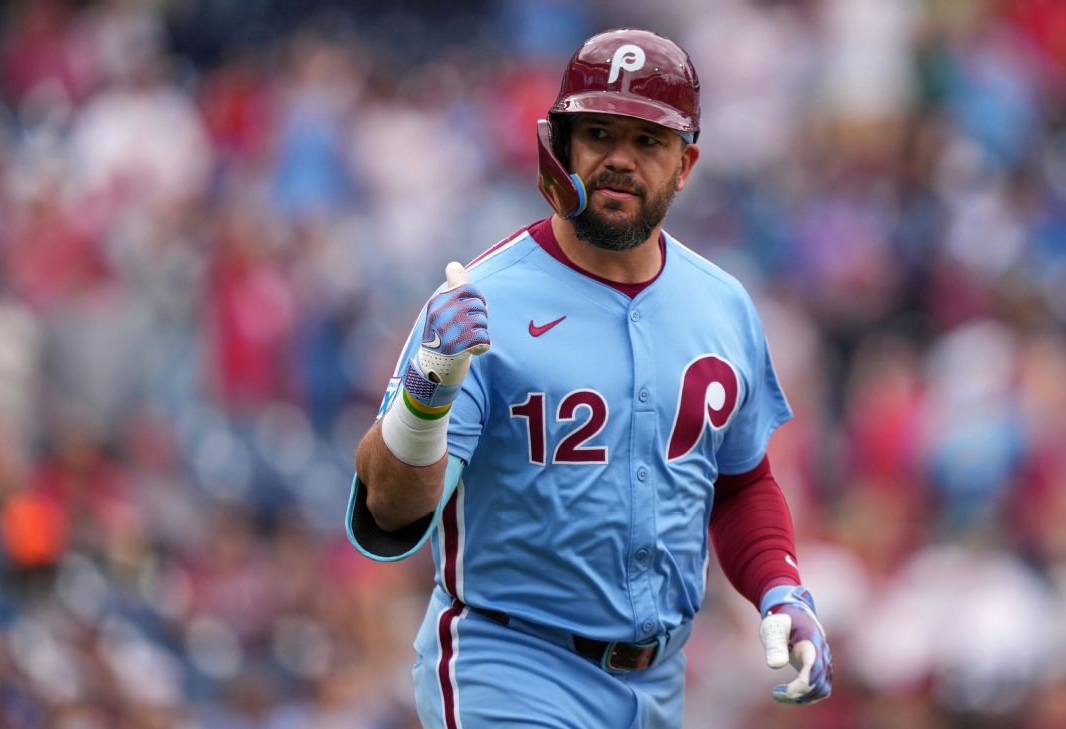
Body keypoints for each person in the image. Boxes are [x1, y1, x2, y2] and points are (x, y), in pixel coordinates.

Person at [347, 28, 833, 728]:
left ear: (685, 163)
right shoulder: (483, 299)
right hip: (509, 666)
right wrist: (425, 396)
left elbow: (739, 482)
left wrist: (781, 588)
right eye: (599, 133)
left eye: (648, 140)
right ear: (563, 146)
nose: (620, 158)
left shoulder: (723, 304)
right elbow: (393, 511)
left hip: (659, 682)